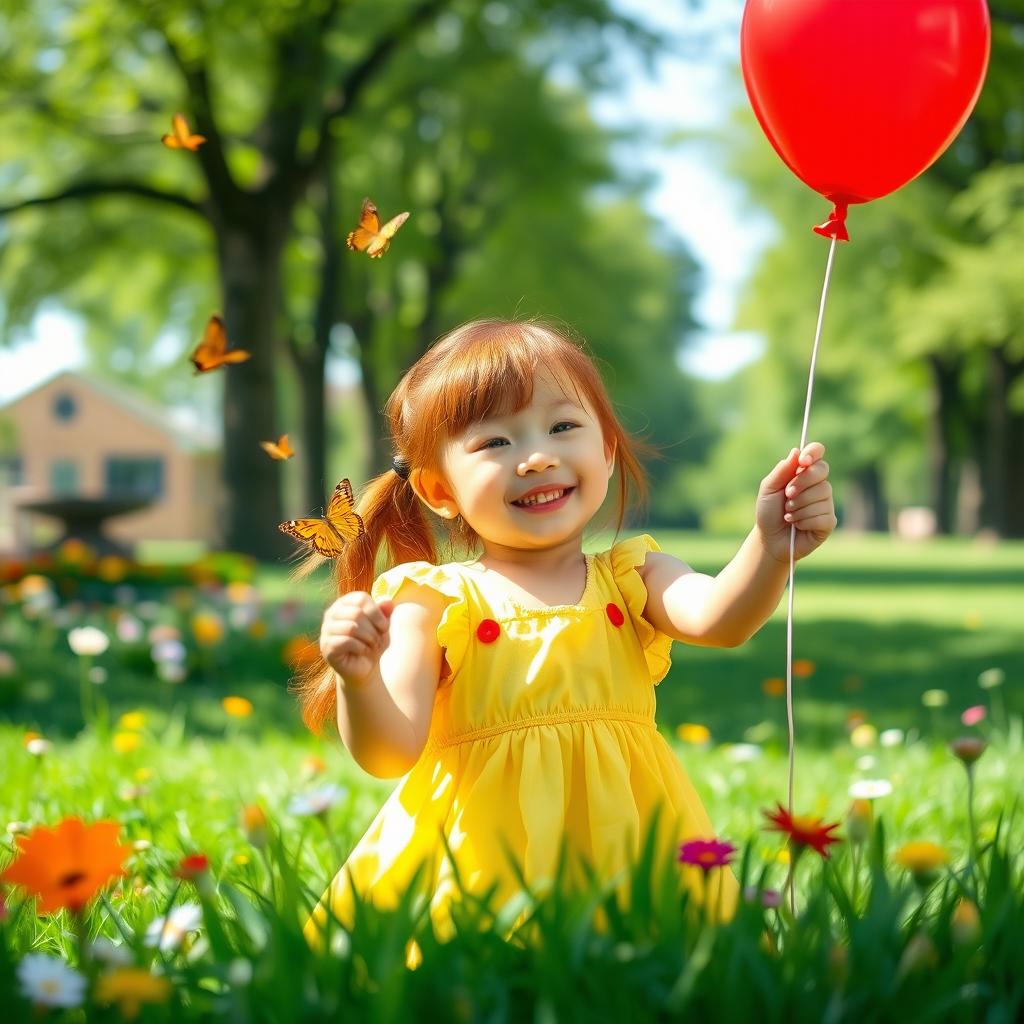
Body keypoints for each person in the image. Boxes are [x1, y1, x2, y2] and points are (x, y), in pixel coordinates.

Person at [298, 319, 836, 960]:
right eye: (495, 441)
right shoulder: (433, 600)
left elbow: (721, 617)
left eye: (562, 427)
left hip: (630, 849)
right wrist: (359, 680)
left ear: (606, 449)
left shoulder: (631, 574)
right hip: (484, 866)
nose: (537, 456)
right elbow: (389, 754)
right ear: (440, 490)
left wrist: (770, 549)